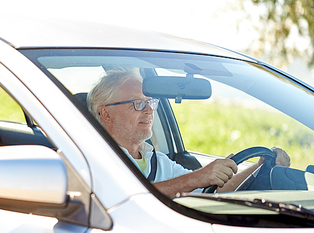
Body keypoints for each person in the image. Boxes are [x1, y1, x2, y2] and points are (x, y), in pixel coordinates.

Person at [87, 69, 291, 198]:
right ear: (106, 112)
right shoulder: (95, 158)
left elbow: (211, 189)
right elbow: (127, 197)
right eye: (138, 103)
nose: (149, 110)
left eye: (151, 102)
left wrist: (259, 167)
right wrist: (199, 177)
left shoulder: (158, 160)